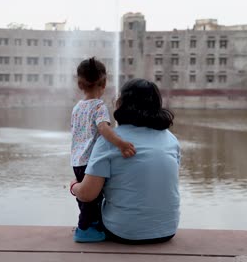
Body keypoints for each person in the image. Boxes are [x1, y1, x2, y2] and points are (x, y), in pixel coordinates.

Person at [70, 78, 180, 244]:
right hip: (167, 230)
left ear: (121, 103)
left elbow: (87, 194)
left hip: (123, 232)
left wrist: (73, 186)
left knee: (93, 200)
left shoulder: (108, 142)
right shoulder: (171, 140)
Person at [71, 57, 136, 243]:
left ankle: (87, 225)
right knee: (94, 198)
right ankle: (84, 230)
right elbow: (104, 129)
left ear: (79, 83)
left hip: (77, 160)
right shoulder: (99, 106)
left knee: (85, 198)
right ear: (105, 82)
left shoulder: (77, 108)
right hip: (91, 160)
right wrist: (121, 144)